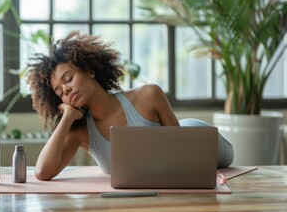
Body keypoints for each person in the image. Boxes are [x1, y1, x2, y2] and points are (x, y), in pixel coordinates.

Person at [26, 31, 234, 181]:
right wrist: (67, 118)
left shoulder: (148, 95)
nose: (66, 90)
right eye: (59, 92)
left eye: (68, 78)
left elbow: (179, 152)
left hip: (199, 141)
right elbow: (43, 173)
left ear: (89, 71)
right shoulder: (80, 132)